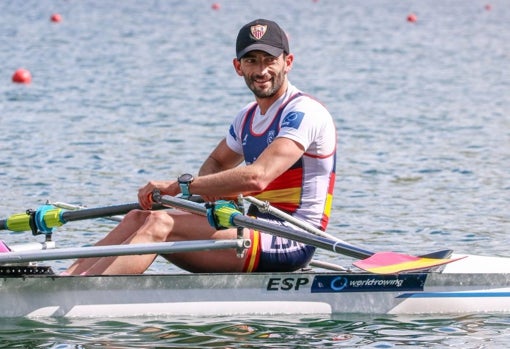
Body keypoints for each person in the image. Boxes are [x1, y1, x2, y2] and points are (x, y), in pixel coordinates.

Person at [65, 19, 336, 275]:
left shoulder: (304, 112)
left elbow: (257, 177)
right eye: (251, 61)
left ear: (288, 62)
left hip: (291, 238)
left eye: (270, 60)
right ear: (238, 67)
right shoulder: (247, 117)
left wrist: (182, 187)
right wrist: (216, 194)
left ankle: (79, 298)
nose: (261, 70)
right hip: (254, 228)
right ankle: (68, 280)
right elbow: (216, 163)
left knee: (161, 222)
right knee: (139, 216)